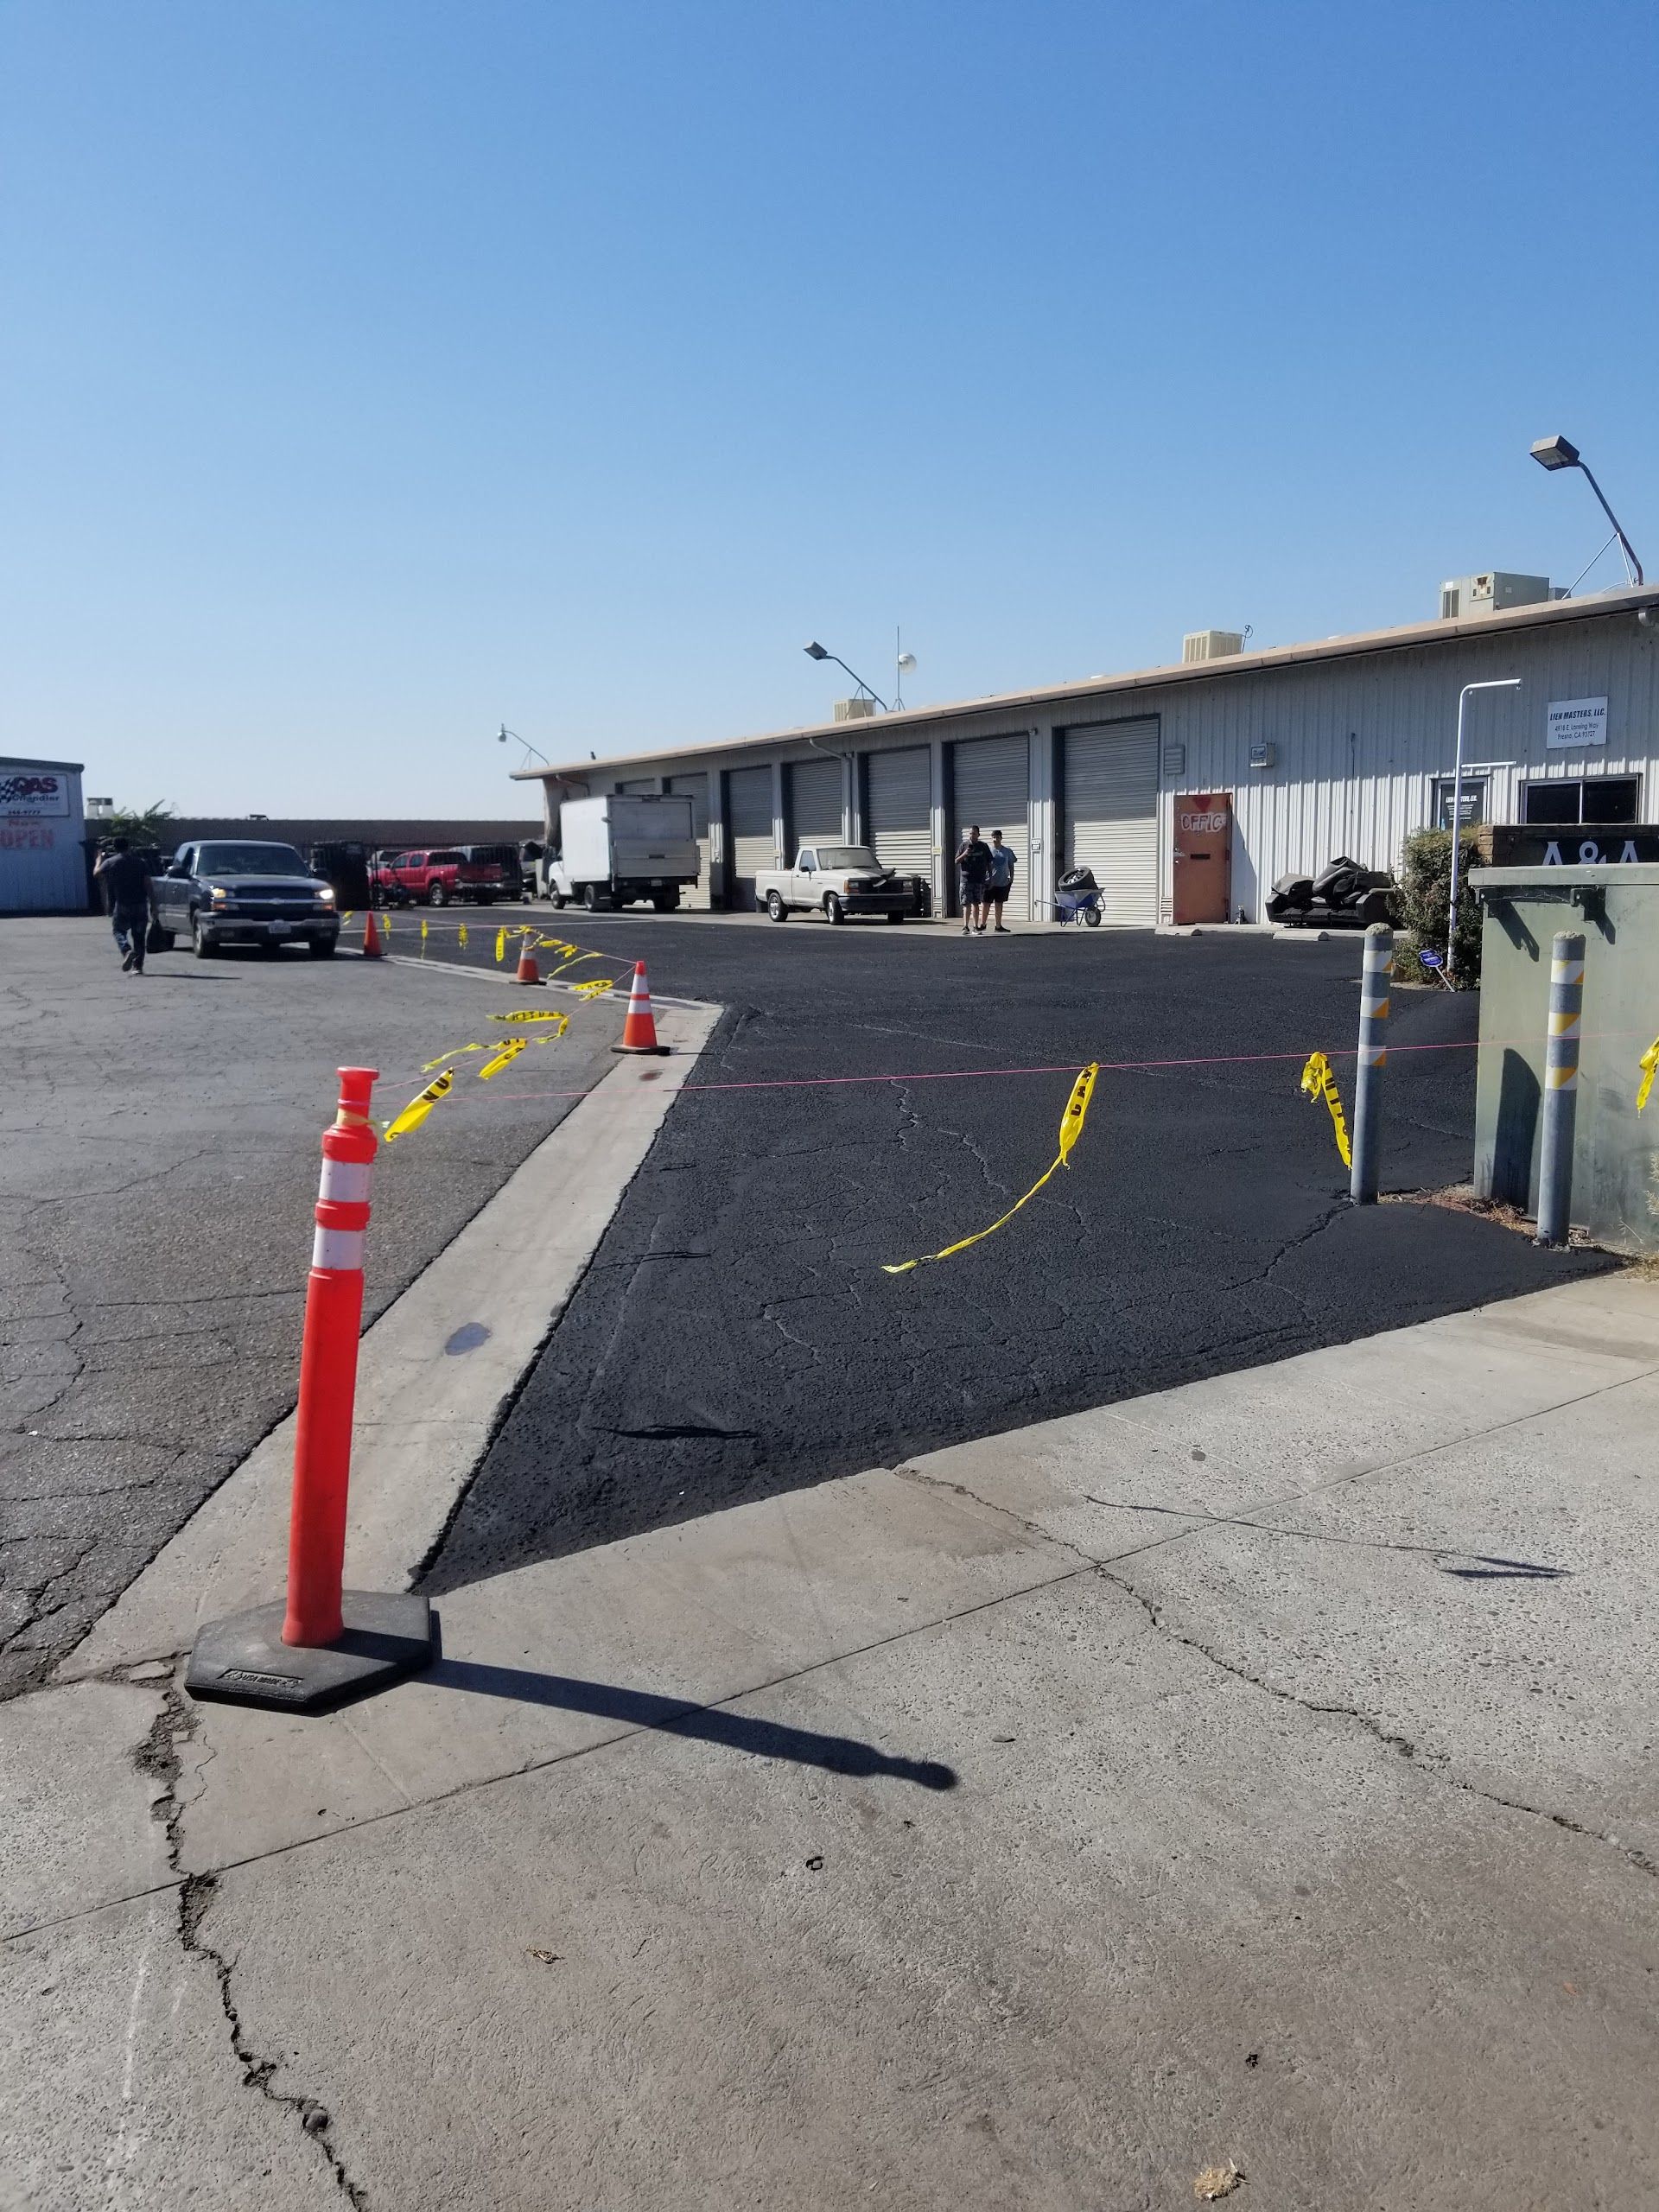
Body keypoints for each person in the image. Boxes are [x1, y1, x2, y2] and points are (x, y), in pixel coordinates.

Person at [93, 837, 152, 974]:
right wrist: (153, 903)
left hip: (122, 903)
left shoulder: (111, 862)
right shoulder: (140, 863)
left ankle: (126, 950)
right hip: (140, 903)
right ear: (128, 847)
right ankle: (138, 967)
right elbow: (148, 884)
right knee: (139, 935)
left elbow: (96, 874)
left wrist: (98, 860)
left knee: (118, 930)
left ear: (115, 848)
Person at [955, 824, 991, 935]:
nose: (972, 835)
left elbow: (989, 862)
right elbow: (956, 861)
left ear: (978, 834)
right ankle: (965, 927)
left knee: (976, 903)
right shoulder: (964, 845)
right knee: (966, 903)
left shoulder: (983, 846)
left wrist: (990, 877)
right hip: (966, 879)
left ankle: (975, 927)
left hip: (979, 879)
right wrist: (965, 854)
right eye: (970, 833)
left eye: (974, 833)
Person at [985, 830, 1016, 932]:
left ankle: (998, 926)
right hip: (989, 882)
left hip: (1002, 882)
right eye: (993, 837)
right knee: (986, 904)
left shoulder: (1007, 851)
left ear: (1001, 838)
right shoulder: (988, 851)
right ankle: (982, 925)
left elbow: (1011, 864)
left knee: (999, 904)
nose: (995, 839)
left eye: (997, 837)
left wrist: (1011, 877)